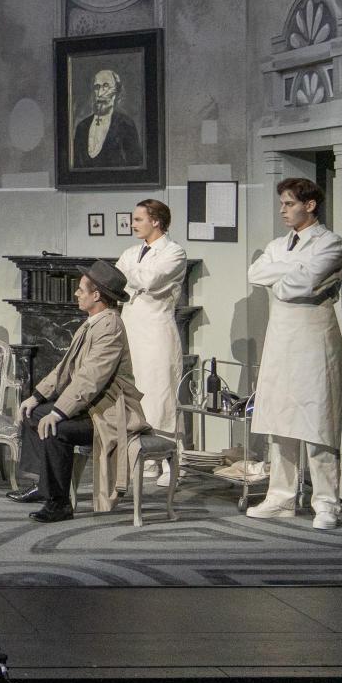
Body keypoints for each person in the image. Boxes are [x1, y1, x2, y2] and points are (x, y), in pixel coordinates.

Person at [7, 260, 148, 523]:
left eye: (81, 289)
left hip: (109, 413)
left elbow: (91, 378)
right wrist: (37, 396)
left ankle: (58, 503)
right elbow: (65, 368)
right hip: (90, 408)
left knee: (56, 429)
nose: (76, 294)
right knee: (33, 413)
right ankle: (43, 484)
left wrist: (59, 412)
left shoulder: (110, 326)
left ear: (97, 296)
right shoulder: (92, 323)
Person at [245, 177, 342, 530]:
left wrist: (285, 275)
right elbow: (255, 272)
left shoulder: (330, 242)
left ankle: (326, 503)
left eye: (289, 204)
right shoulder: (277, 245)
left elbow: (302, 284)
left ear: (310, 205)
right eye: (282, 204)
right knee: (279, 419)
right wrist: (294, 270)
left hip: (314, 339)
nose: (283, 210)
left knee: (318, 422)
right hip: (281, 339)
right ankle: (281, 496)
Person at [113, 198, 187, 485]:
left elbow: (151, 280)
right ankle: (147, 459)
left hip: (157, 333)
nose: (133, 224)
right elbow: (116, 282)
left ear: (156, 221)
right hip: (131, 331)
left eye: (138, 219)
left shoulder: (174, 252)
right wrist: (131, 277)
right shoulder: (131, 252)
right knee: (137, 396)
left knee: (161, 396)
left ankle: (173, 464)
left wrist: (129, 275)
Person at [72, 69, 142, 169]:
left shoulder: (126, 125)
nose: (100, 93)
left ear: (117, 92)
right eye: (97, 87)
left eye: (106, 86)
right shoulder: (81, 127)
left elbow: (135, 166)